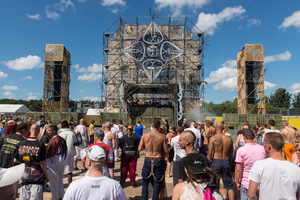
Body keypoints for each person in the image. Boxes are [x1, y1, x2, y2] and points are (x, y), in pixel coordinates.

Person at [248, 132, 300, 199]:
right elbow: (297, 195)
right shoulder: (296, 169)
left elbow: (251, 194)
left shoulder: (259, 165)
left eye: (263, 143)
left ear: (269, 145)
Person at [15, 124, 48, 200]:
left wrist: (26, 161)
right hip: (37, 176)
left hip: (24, 175)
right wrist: (46, 174)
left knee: (23, 197)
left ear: (29, 130)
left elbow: (15, 159)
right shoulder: (40, 144)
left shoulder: (21, 143)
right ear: (39, 131)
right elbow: (42, 162)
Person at [138, 119, 168, 200]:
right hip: (157, 159)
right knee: (157, 183)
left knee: (145, 183)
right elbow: (165, 151)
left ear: (151, 126)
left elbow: (139, 148)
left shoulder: (145, 135)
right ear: (159, 127)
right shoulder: (162, 136)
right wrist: (163, 158)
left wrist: (147, 148)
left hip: (148, 158)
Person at [234, 129, 267, 200]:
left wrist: (237, 182)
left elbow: (238, 169)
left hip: (246, 183)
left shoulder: (241, 150)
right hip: (261, 183)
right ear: (254, 136)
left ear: (243, 137)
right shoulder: (263, 149)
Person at [207, 122, 234, 200]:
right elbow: (231, 154)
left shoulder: (213, 138)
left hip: (216, 161)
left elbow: (209, 153)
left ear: (215, 128)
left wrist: (208, 164)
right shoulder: (229, 139)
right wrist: (230, 163)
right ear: (223, 129)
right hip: (226, 160)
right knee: (229, 186)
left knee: (213, 184)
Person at [46, 125, 68, 200]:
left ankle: (55, 197)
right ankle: (61, 195)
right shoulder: (62, 139)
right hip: (62, 162)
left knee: (53, 182)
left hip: (53, 163)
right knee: (59, 180)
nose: (47, 132)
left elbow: (49, 153)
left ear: (54, 131)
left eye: (49, 131)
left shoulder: (52, 140)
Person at [58, 120, 77, 185]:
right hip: (70, 153)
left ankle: (60, 183)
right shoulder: (71, 133)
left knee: (60, 170)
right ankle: (69, 184)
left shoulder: (60, 134)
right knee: (69, 171)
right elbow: (75, 141)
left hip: (61, 153)